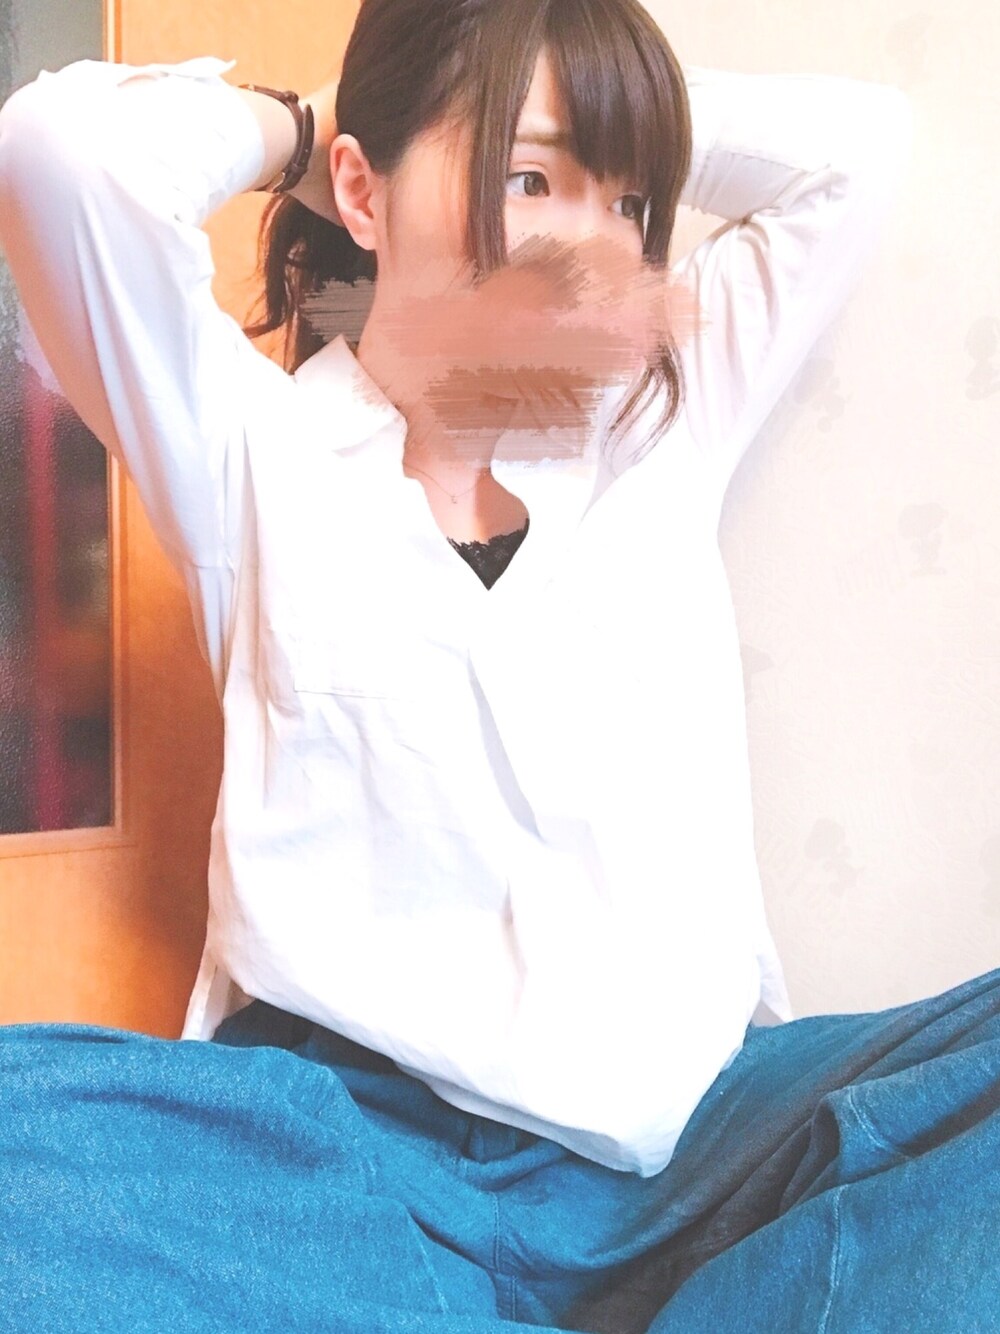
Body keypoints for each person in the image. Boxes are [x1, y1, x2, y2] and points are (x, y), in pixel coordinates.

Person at [3, 1, 998, 1331]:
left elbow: (854, 151)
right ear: (363, 194)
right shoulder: (252, 451)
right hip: (354, 1164)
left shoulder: (670, 412)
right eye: (529, 180)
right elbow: (60, 152)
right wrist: (312, 127)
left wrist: (594, 112)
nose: (593, 243)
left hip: (691, 1158)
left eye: (627, 202)